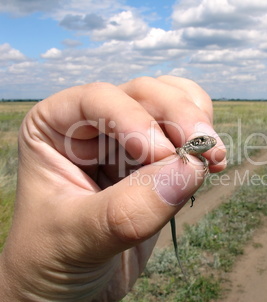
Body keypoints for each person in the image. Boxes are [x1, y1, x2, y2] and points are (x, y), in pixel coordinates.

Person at [0, 76, 226, 301]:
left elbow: (199, 158)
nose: (208, 143)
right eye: (204, 140)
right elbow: (180, 151)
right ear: (197, 142)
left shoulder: (196, 152)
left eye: (208, 141)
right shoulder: (186, 148)